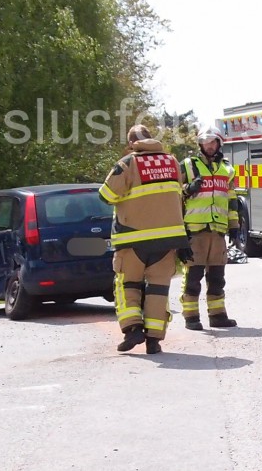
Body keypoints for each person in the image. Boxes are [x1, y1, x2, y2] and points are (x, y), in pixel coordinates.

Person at [98, 124, 190, 354]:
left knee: (126, 284)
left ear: (131, 144)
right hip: (169, 239)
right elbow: (177, 198)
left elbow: (106, 195)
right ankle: (154, 340)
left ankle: (132, 329)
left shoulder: (128, 163)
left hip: (133, 238)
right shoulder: (172, 163)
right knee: (158, 289)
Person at [178, 127, 240, 330]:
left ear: (219, 144)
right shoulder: (187, 166)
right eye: (206, 142)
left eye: (213, 142)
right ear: (200, 145)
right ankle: (191, 317)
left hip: (218, 230)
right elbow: (173, 194)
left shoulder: (227, 169)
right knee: (193, 277)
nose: (210, 146)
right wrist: (188, 189)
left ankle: (218, 315)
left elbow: (231, 200)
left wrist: (234, 226)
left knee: (217, 277)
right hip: (195, 230)